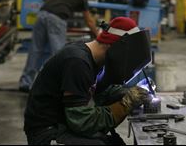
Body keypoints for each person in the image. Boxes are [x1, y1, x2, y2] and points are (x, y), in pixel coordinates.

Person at [23, 17, 151, 145]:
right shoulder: (77, 62)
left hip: (63, 123)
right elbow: (82, 122)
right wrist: (126, 104)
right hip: (47, 132)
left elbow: (100, 90)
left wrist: (128, 93)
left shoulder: (93, 57)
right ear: (115, 48)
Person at [19, 0, 98, 92]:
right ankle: (55, 87)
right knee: (58, 55)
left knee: (35, 49)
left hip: (42, 14)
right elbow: (89, 21)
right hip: (57, 19)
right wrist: (98, 34)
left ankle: (26, 82)